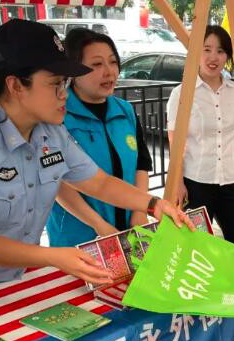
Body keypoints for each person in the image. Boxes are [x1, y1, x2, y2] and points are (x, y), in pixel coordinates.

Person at [0, 19, 189, 285]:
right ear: (15, 86)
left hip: (18, 280)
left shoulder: (50, 132)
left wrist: (153, 204)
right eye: (56, 84)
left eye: (66, 83)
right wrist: (52, 257)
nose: (64, 94)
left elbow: (99, 183)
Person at [45, 28, 153, 246]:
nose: (109, 72)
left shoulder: (125, 111)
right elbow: (57, 183)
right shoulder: (57, 115)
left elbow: (141, 164)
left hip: (129, 228)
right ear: (73, 71)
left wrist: (140, 211)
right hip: (80, 237)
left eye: (113, 62)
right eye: (96, 64)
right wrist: (99, 225)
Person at [166, 25, 234, 245]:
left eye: (220, 51)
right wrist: (177, 183)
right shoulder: (181, 93)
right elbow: (175, 141)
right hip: (196, 183)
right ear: (196, 52)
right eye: (206, 49)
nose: (213, 57)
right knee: (194, 248)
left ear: (227, 57)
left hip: (231, 180)